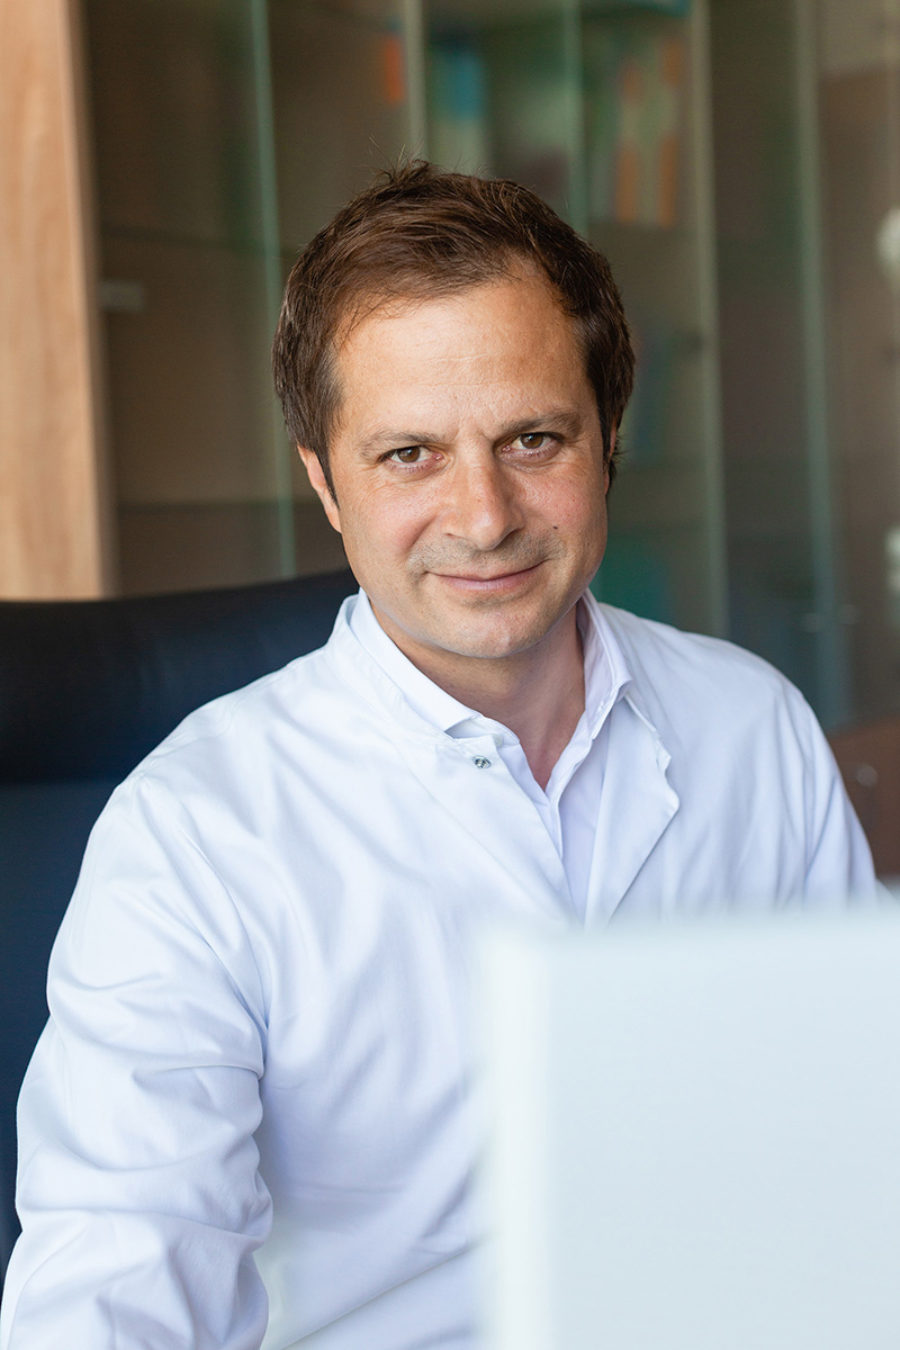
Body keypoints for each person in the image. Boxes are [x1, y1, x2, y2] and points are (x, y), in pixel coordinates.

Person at [0, 162, 877, 1350]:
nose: (484, 514)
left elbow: (849, 1145)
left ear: (609, 434)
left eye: (533, 438)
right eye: (410, 453)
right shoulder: (195, 832)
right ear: (325, 481)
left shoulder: (748, 727)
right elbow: (113, 1284)